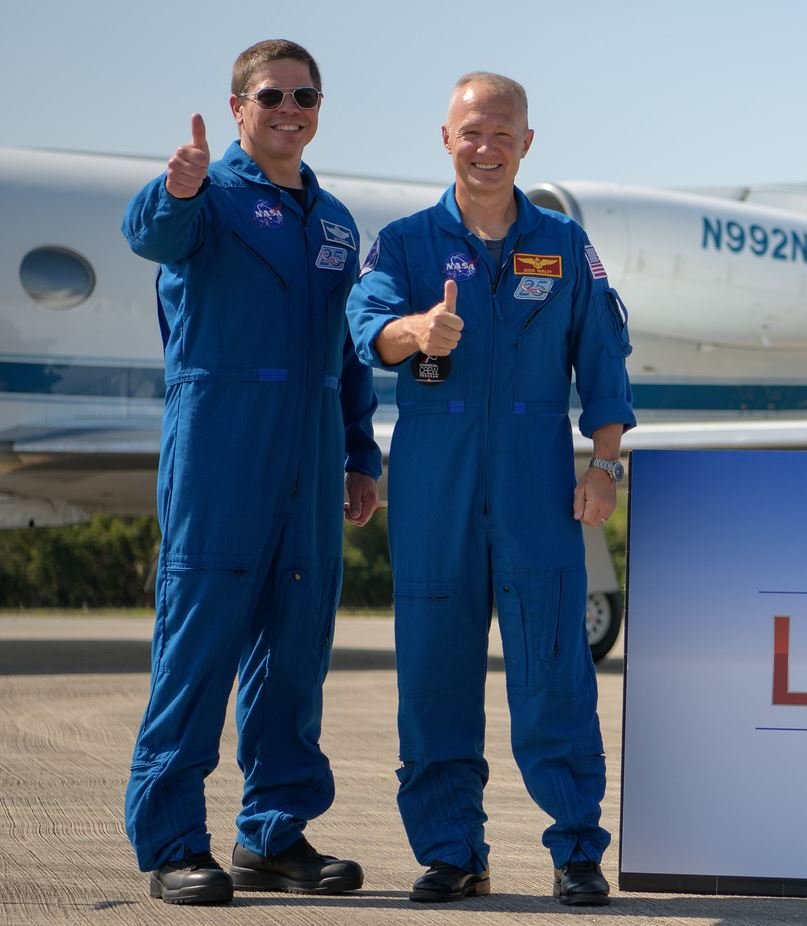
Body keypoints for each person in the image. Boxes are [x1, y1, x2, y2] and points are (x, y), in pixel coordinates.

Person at [345, 71, 635, 906]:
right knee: (434, 671)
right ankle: (450, 852)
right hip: (434, 484)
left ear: (526, 144)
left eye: (503, 133)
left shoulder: (564, 244)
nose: (486, 147)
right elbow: (366, 329)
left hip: (536, 481)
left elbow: (603, 358)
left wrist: (604, 465)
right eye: (471, 132)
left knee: (553, 669)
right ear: (447, 139)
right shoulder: (406, 242)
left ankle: (575, 850)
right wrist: (416, 330)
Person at [120, 39, 381, 906]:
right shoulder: (206, 197)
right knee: (198, 642)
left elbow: (346, 350)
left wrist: (359, 453)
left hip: (312, 447)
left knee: (295, 648)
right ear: (239, 107)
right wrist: (177, 187)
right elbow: (150, 234)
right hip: (221, 446)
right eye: (271, 96)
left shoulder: (335, 222)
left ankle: (272, 835)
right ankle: (171, 841)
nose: (289, 110)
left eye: (306, 97)